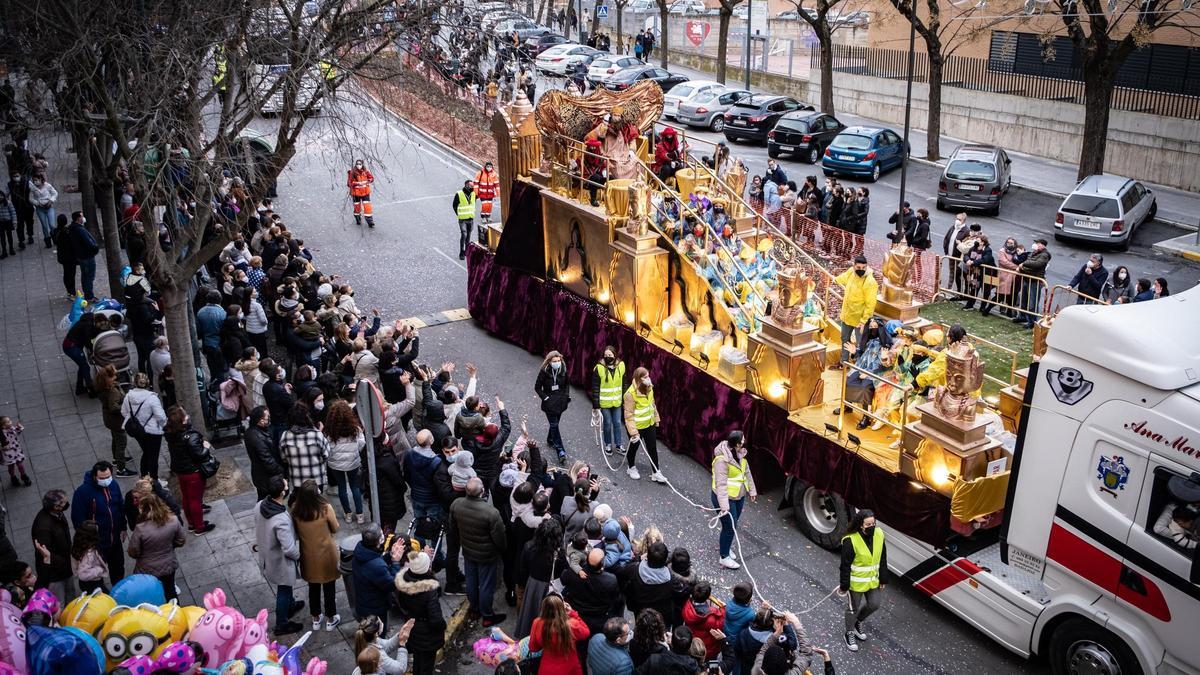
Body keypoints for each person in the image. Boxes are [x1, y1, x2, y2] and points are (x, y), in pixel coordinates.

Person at [449, 477, 507, 626]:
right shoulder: (491, 513)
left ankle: (474, 609)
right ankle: (487, 615)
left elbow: (453, 528)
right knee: (486, 585)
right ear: (482, 492)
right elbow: (499, 537)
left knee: (471, 581)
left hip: (468, 551)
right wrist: (502, 549)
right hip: (487, 555)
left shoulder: (456, 505)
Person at [255, 476, 305, 635]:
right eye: (285, 485)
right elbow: (289, 548)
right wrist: (300, 556)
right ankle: (282, 623)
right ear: (283, 493)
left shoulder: (259, 505)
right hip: (279, 562)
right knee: (283, 589)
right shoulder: (281, 519)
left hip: (266, 555)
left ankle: (290, 604)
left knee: (286, 587)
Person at [291, 479, 341, 632]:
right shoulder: (325, 509)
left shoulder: (296, 510)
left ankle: (315, 617)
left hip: (308, 554)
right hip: (326, 554)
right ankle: (331, 618)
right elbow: (335, 528)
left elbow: (296, 532)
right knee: (329, 587)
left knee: (313, 587)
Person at [70, 461, 127, 585]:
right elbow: (78, 519)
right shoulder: (82, 493)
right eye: (102, 478)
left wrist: (123, 527)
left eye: (108, 477)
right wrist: (89, 541)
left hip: (114, 539)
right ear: (95, 476)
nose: (106, 480)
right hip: (97, 543)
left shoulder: (114, 485)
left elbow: (120, 507)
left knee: (118, 570)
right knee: (96, 575)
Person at [837, 509, 886, 652]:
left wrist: (883, 578)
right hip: (856, 584)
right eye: (868, 524)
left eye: (873, 523)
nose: (872, 526)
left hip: (872, 581)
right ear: (860, 525)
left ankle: (858, 622)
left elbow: (882, 557)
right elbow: (845, 566)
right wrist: (844, 585)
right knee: (853, 609)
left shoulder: (879, 534)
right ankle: (849, 632)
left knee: (874, 604)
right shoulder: (850, 541)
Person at [164, 405, 215, 534]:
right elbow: (199, 454)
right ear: (182, 420)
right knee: (195, 500)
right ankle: (200, 527)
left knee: (186, 497)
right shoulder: (190, 436)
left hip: (180, 471)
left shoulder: (170, 433)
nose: (187, 416)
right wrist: (206, 447)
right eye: (185, 414)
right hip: (193, 472)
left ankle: (192, 524)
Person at [126, 494, 185, 601]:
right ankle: (176, 614)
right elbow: (181, 540)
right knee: (171, 592)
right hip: (168, 564)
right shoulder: (174, 520)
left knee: (152, 596)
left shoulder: (140, 529)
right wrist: (169, 547)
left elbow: (133, 551)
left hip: (147, 569)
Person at [394, 550, 445, 675]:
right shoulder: (429, 590)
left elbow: (402, 604)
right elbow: (436, 619)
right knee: (427, 666)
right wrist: (442, 626)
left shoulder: (404, 582)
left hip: (412, 627)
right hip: (427, 634)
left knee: (417, 659)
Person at [711, 431, 757, 569]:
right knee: (729, 527)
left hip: (738, 496)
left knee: (732, 525)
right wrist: (724, 506)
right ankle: (724, 556)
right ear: (737, 444)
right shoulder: (721, 460)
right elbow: (721, 485)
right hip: (724, 499)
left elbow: (747, 473)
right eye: (743, 440)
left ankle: (726, 546)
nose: (745, 441)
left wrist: (752, 490)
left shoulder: (741, 454)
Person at [516, 518, 563, 638]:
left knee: (529, 614)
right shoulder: (559, 554)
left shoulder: (529, 547)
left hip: (533, 586)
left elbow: (523, 570)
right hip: (550, 587)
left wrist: (521, 586)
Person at [354, 523, 404, 629]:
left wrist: (390, 555)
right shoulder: (377, 566)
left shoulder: (360, 549)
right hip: (375, 608)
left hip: (364, 601)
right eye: (382, 535)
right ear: (379, 541)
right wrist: (395, 562)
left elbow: (376, 560)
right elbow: (392, 584)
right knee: (379, 634)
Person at [324, 400, 366, 524]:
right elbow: (361, 444)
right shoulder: (355, 429)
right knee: (355, 487)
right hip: (353, 462)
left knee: (342, 487)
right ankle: (360, 515)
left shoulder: (329, 431)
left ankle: (348, 514)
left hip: (335, 464)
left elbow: (328, 447)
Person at [529, 594, 591, 675]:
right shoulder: (572, 624)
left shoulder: (537, 622)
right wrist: (573, 613)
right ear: (562, 608)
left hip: (547, 669)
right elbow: (586, 632)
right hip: (571, 668)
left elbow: (533, 648)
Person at [121, 373, 167, 479]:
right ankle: (154, 479)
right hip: (153, 432)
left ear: (135, 383)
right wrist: (164, 426)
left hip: (137, 430)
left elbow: (124, 412)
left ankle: (144, 476)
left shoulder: (128, 396)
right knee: (153, 457)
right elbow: (161, 417)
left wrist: (137, 421)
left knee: (146, 452)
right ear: (148, 384)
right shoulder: (152, 399)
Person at [30, 490, 74, 600]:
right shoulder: (43, 528)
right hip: (55, 573)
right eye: (64, 502)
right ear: (56, 506)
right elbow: (45, 553)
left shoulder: (57, 514)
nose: (66, 504)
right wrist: (64, 562)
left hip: (65, 566)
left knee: (71, 595)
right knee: (59, 603)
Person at [834, 256, 877, 365]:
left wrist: (864, 321)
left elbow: (870, 304)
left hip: (860, 321)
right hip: (847, 315)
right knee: (844, 339)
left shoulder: (870, 282)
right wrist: (834, 279)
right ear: (854, 266)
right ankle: (843, 362)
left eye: (863, 267)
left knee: (860, 344)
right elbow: (842, 278)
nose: (861, 270)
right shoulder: (851, 272)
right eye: (858, 267)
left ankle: (859, 367)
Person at [96, 365, 138, 477]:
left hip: (110, 420)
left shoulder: (103, 388)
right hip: (117, 421)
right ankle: (121, 469)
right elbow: (114, 407)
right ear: (108, 378)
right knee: (121, 443)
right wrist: (126, 406)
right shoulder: (112, 392)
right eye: (114, 375)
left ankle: (116, 459)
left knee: (115, 439)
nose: (116, 376)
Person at [624, 366, 664, 483]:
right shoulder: (630, 394)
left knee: (652, 448)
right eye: (645, 377)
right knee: (634, 447)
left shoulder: (649, 388)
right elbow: (629, 415)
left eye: (648, 376)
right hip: (637, 427)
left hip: (649, 424)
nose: (648, 379)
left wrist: (656, 418)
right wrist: (633, 433)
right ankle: (631, 467)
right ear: (639, 379)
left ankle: (656, 472)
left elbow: (652, 404)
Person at [280, 403, 330, 492]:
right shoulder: (317, 435)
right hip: (317, 479)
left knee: (301, 504)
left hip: (297, 480)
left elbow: (284, 458)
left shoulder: (285, 436)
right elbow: (326, 455)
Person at [534, 350, 570, 462]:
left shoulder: (563, 369)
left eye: (559, 360)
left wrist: (566, 396)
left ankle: (550, 439)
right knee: (554, 425)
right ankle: (560, 450)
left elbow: (567, 384)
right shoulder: (544, 371)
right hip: (549, 403)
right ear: (549, 361)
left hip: (560, 401)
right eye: (554, 361)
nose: (557, 362)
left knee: (555, 424)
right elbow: (537, 387)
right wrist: (545, 398)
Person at [591, 346, 627, 457]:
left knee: (617, 423)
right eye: (606, 355)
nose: (608, 357)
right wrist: (596, 405)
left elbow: (624, 383)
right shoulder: (599, 368)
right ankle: (608, 444)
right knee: (607, 424)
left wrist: (625, 399)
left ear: (615, 355)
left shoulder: (621, 366)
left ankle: (619, 444)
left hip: (617, 402)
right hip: (604, 403)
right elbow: (595, 388)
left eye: (610, 355)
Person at [245, 406, 284, 500]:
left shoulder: (256, 431)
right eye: (267, 417)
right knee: (266, 500)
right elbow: (266, 459)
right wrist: (280, 470)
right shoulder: (257, 436)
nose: (269, 419)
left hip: (262, 475)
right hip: (266, 477)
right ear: (260, 420)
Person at [1014, 238, 1050, 327]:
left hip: (1035, 281)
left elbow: (1036, 265)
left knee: (1032, 303)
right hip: (1027, 278)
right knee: (1024, 300)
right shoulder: (1033, 253)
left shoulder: (1044, 255)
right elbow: (1028, 263)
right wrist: (1022, 267)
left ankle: (1032, 322)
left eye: (1038, 243)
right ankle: (1022, 316)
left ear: (1042, 245)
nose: (1036, 245)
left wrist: (1023, 265)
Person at [67, 211, 100, 301]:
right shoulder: (80, 230)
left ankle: (87, 294)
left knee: (85, 275)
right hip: (87, 257)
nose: (83, 218)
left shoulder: (72, 228)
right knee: (89, 276)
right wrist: (95, 249)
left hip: (81, 256)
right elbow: (89, 244)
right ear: (78, 219)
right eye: (82, 216)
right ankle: (89, 296)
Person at [70, 520, 109, 592]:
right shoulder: (88, 554)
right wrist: (99, 570)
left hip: (86, 584)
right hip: (93, 584)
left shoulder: (78, 547)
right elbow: (83, 574)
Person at [28, 174, 57, 248]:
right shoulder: (32, 188)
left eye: (36, 180)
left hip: (49, 207)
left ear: (41, 179)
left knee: (52, 225)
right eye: (34, 180)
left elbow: (55, 193)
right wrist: (37, 203)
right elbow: (30, 198)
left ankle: (54, 237)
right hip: (40, 209)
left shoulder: (47, 186)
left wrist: (51, 201)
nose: (35, 182)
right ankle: (47, 240)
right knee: (44, 226)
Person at [0, 416, 28, 487]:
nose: (11, 422)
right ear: (3, 426)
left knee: (20, 465)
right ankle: (13, 477)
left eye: (10, 420)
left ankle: (23, 476)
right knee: (11, 467)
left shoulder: (11, 429)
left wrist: (19, 427)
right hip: (8, 454)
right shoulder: (1, 434)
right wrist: (3, 448)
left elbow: (17, 431)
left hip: (16, 451)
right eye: (8, 421)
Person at [452, 179, 477, 259]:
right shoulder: (459, 194)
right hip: (462, 219)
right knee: (464, 234)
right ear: (466, 185)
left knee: (468, 235)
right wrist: (458, 214)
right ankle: (461, 252)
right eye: (471, 185)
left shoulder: (473, 194)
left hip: (470, 218)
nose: (472, 187)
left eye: (473, 185)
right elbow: (454, 205)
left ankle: (467, 250)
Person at [348, 159, 376, 227]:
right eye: (357, 164)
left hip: (365, 192)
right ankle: (358, 219)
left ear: (362, 164)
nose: (359, 165)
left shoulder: (365, 172)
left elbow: (371, 178)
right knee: (357, 207)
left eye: (360, 164)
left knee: (367, 207)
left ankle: (370, 221)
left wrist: (369, 180)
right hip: (356, 193)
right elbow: (349, 183)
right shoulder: (352, 173)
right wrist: (356, 183)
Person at [474, 161, 499, 231]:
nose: (489, 168)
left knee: (489, 205)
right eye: (488, 166)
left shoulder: (494, 174)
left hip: (490, 193)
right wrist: (476, 193)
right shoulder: (480, 173)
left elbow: (496, 184)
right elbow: (476, 183)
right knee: (485, 205)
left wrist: (497, 193)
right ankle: (483, 217)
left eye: (490, 166)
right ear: (485, 167)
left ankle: (488, 216)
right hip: (482, 193)